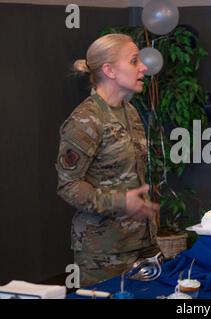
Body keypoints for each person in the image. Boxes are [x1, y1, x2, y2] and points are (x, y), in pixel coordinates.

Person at [56, 34, 161, 287]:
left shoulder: (130, 111)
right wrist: (120, 202)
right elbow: (68, 186)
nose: (144, 67)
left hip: (143, 243)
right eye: (135, 61)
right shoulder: (85, 120)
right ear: (109, 70)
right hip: (104, 253)